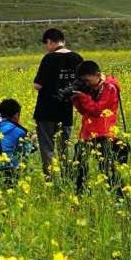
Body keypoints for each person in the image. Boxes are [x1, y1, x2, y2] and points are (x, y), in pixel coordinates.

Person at [69, 61, 126, 196]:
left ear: (97, 74)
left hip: (105, 133)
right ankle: (81, 194)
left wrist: (83, 96)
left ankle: (120, 198)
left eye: (87, 80)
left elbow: (98, 110)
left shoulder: (110, 88)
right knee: (79, 164)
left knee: (107, 168)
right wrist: (75, 99)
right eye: (83, 81)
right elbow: (86, 112)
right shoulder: (92, 88)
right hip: (88, 133)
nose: (86, 84)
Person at [32, 28, 83, 180]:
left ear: (50, 42)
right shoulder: (77, 58)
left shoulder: (49, 58)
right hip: (66, 109)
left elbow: (37, 85)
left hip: (46, 110)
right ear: (63, 41)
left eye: (46, 44)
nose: (47, 47)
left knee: (47, 147)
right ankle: (67, 177)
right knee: (64, 146)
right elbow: (82, 83)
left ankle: (50, 179)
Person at [0, 99, 33, 187]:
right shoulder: (19, 131)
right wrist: (31, 141)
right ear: (16, 115)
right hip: (1, 175)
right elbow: (27, 152)